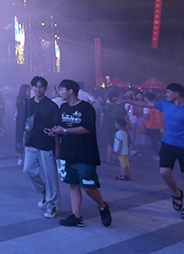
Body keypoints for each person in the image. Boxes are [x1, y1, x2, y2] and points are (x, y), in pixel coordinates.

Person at [121, 83, 184, 220]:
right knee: (164, 172)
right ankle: (177, 193)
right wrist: (127, 101)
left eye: (168, 92)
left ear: (176, 94)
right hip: (168, 144)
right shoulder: (165, 104)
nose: (166, 95)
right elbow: (145, 104)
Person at [51, 79, 112, 228]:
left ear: (70, 91)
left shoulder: (86, 108)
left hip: (85, 153)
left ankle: (103, 206)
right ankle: (76, 217)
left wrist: (65, 130)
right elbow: (59, 127)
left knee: (88, 187)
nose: (59, 93)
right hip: (68, 152)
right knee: (73, 184)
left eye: (61, 89)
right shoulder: (63, 107)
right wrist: (55, 135)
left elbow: (86, 128)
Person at [23, 76, 61, 219]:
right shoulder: (28, 103)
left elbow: (56, 128)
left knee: (50, 175)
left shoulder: (51, 106)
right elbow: (25, 122)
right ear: (32, 87)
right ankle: (45, 192)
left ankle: (52, 204)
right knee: (28, 170)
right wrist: (24, 138)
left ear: (45, 88)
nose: (38, 89)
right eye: (35, 86)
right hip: (31, 142)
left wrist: (57, 148)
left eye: (41, 86)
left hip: (46, 144)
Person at [100, 91, 127, 164]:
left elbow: (102, 117)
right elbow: (126, 117)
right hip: (120, 126)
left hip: (108, 126)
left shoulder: (105, 106)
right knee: (121, 141)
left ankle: (109, 159)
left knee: (110, 143)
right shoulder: (120, 107)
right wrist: (129, 125)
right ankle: (122, 159)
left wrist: (101, 124)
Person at [15, 83, 31, 165]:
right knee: (25, 137)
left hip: (19, 120)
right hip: (25, 120)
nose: (30, 92)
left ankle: (20, 157)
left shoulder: (18, 99)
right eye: (28, 90)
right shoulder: (27, 100)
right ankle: (24, 156)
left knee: (19, 137)